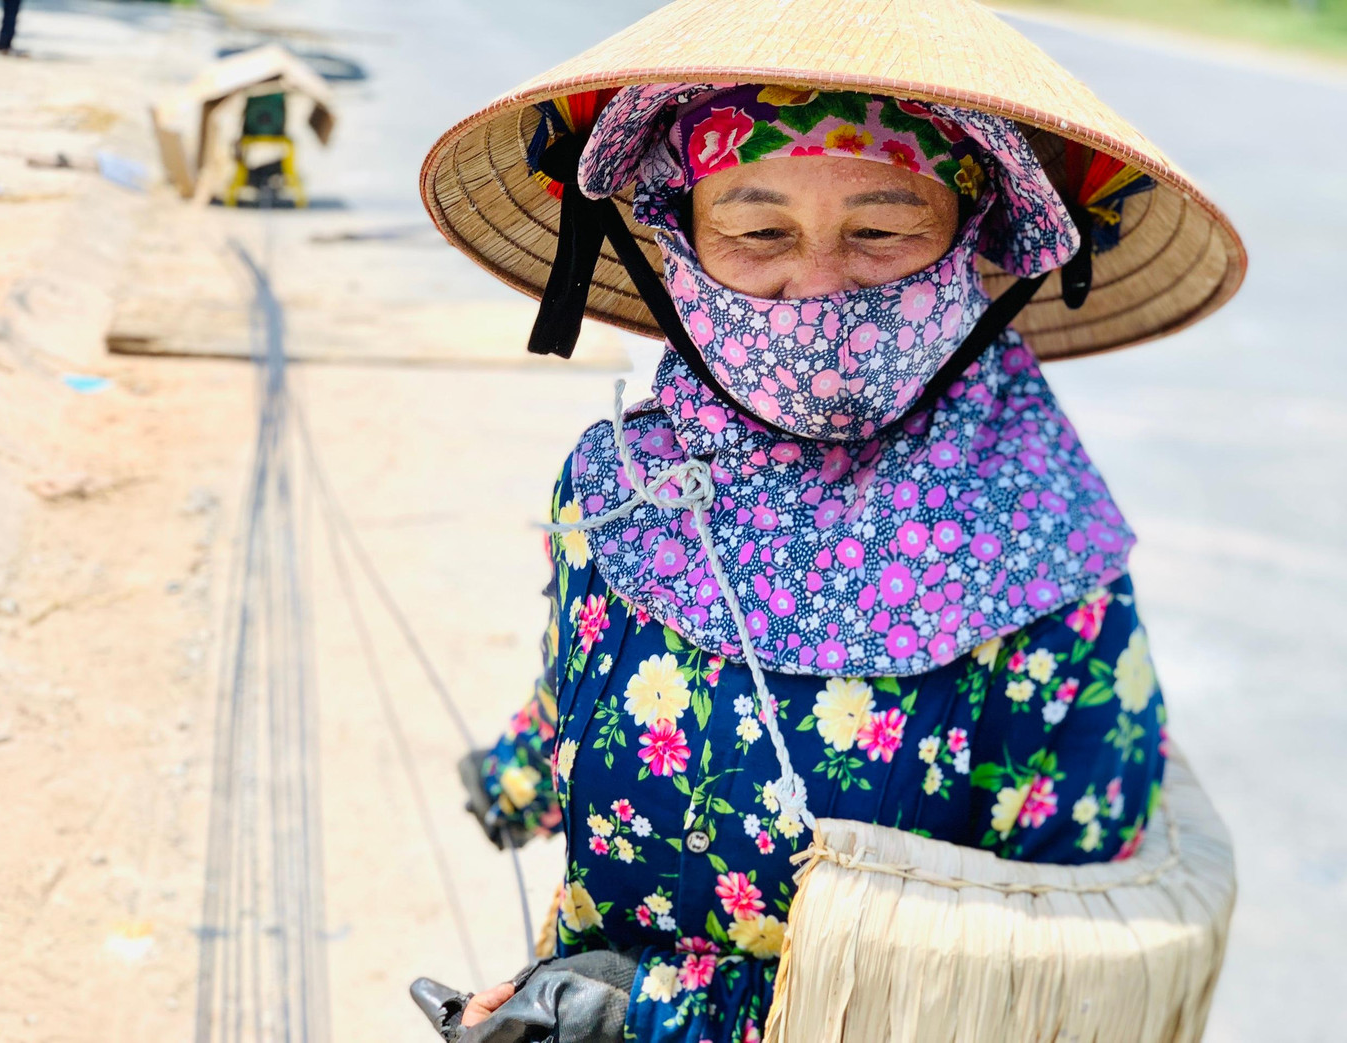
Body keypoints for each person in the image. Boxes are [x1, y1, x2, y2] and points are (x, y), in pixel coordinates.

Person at [415, 1, 1245, 1039]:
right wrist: (520, 782)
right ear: (680, 242)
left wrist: (658, 1014)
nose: (815, 289)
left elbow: (1068, 967)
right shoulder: (620, 482)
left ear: (969, 249)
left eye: (882, 230)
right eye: (758, 232)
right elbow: (583, 673)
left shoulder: (1043, 559)